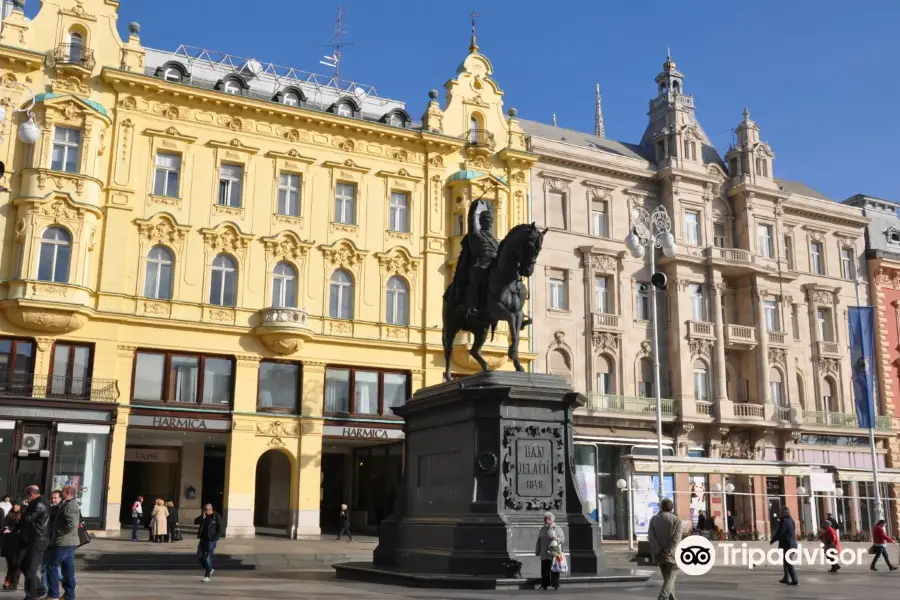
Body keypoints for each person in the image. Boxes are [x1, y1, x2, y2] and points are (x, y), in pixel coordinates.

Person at [47, 485, 79, 600]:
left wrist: (60, 532)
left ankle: (53, 594)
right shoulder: (67, 504)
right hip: (68, 542)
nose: (61, 493)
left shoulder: (70, 505)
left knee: (51, 566)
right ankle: (69, 595)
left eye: (63, 491)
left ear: (67, 492)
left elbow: (72, 524)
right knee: (67, 569)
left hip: (64, 542)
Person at [648, 498, 682, 600]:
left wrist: (659, 550)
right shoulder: (676, 520)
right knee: (670, 578)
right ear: (671, 508)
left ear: (661, 507)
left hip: (659, 555)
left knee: (668, 579)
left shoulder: (654, 519)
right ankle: (662, 598)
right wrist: (668, 551)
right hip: (672, 555)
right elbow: (676, 539)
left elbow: (651, 537)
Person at [20, 485, 49, 600]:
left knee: (30, 568)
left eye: (27, 496)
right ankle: (40, 588)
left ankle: (32, 595)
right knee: (24, 566)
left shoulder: (39, 504)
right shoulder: (40, 502)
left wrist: (25, 507)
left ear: (31, 494)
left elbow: (27, 519)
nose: (27, 499)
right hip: (35, 538)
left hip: (39, 539)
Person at [535, 511, 565, 590]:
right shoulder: (542, 529)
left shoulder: (557, 528)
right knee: (544, 568)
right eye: (544, 519)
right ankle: (544, 584)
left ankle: (555, 584)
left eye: (546, 519)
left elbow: (562, 539)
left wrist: (556, 539)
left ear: (550, 519)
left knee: (554, 568)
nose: (544, 520)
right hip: (544, 552)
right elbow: (539, 541)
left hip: (554, 552)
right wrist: (537, 551)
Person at [770, 506, 798, 586]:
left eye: (781, 512)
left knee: (788, 562)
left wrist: (773, 540)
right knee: (786, 562)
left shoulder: (784, 521)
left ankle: (795, 579)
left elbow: (780, 532)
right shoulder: (792, 520)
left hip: (787, 544)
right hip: (792, 544)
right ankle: (786, 578)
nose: (780, 513)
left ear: (783, 513)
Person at [41, 490, 62, 595]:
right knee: (45, 565)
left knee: (55, 566)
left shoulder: (62, 509)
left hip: (58, 542)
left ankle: (69, 581)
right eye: (52, 498)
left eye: (55, 498)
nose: (53, 500)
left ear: (60, 498)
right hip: (48, 540)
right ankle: (44, 587)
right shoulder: (50, 509)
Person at [195, 504, 221, 583]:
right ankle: (210, 569)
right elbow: (196, 521)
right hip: (203, 539)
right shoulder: (204, 516)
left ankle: (207, 576)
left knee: (208, 557)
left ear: (211, 509)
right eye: (204, 509)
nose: (205, 510)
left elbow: (221, 528)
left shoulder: (216, 517)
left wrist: (215, 537)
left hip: (211, 540)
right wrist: (202, 517)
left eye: (207, 509)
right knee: (199, 557)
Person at [1, 502, 22, 591]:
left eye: (17, 505)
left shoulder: (22, 515)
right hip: (8, 541)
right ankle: (8, 580)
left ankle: (13, 582)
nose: (15, 506)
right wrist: (4, 529)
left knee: (16, 564)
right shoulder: (9, 514)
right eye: (14, 504)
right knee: (10, 563)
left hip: (17, 542)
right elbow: (4, 525)